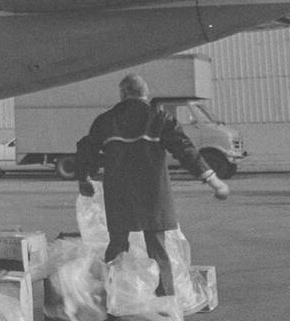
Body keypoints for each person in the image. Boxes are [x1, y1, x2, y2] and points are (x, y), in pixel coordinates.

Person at [75, 72, 229, 295]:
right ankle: (166, 301)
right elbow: (185, 149)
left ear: (123, 93)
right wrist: (213, 180)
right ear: (145, 94)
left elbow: (86, 149)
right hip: (153, 193)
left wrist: (84, 178)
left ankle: (113, 299)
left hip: (119, 193)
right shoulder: (159, 118)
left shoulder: (105, 120)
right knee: (158, 248)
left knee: (117, 246)